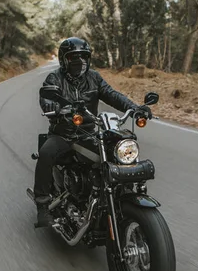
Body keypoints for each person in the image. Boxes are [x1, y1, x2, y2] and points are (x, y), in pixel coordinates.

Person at [34, 37, 152, 227]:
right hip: (63, 133)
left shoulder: (94, 78)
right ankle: (42, 205)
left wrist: (135, 107)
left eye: (83, 57)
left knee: (117, 155)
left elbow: (112, 95)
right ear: (64, 59)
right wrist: (57, 108)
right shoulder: (55, 78)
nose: (79, 61)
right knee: (46, 153)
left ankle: (120, 199)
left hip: (89, 133)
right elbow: (47, 96)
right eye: (74, 57)